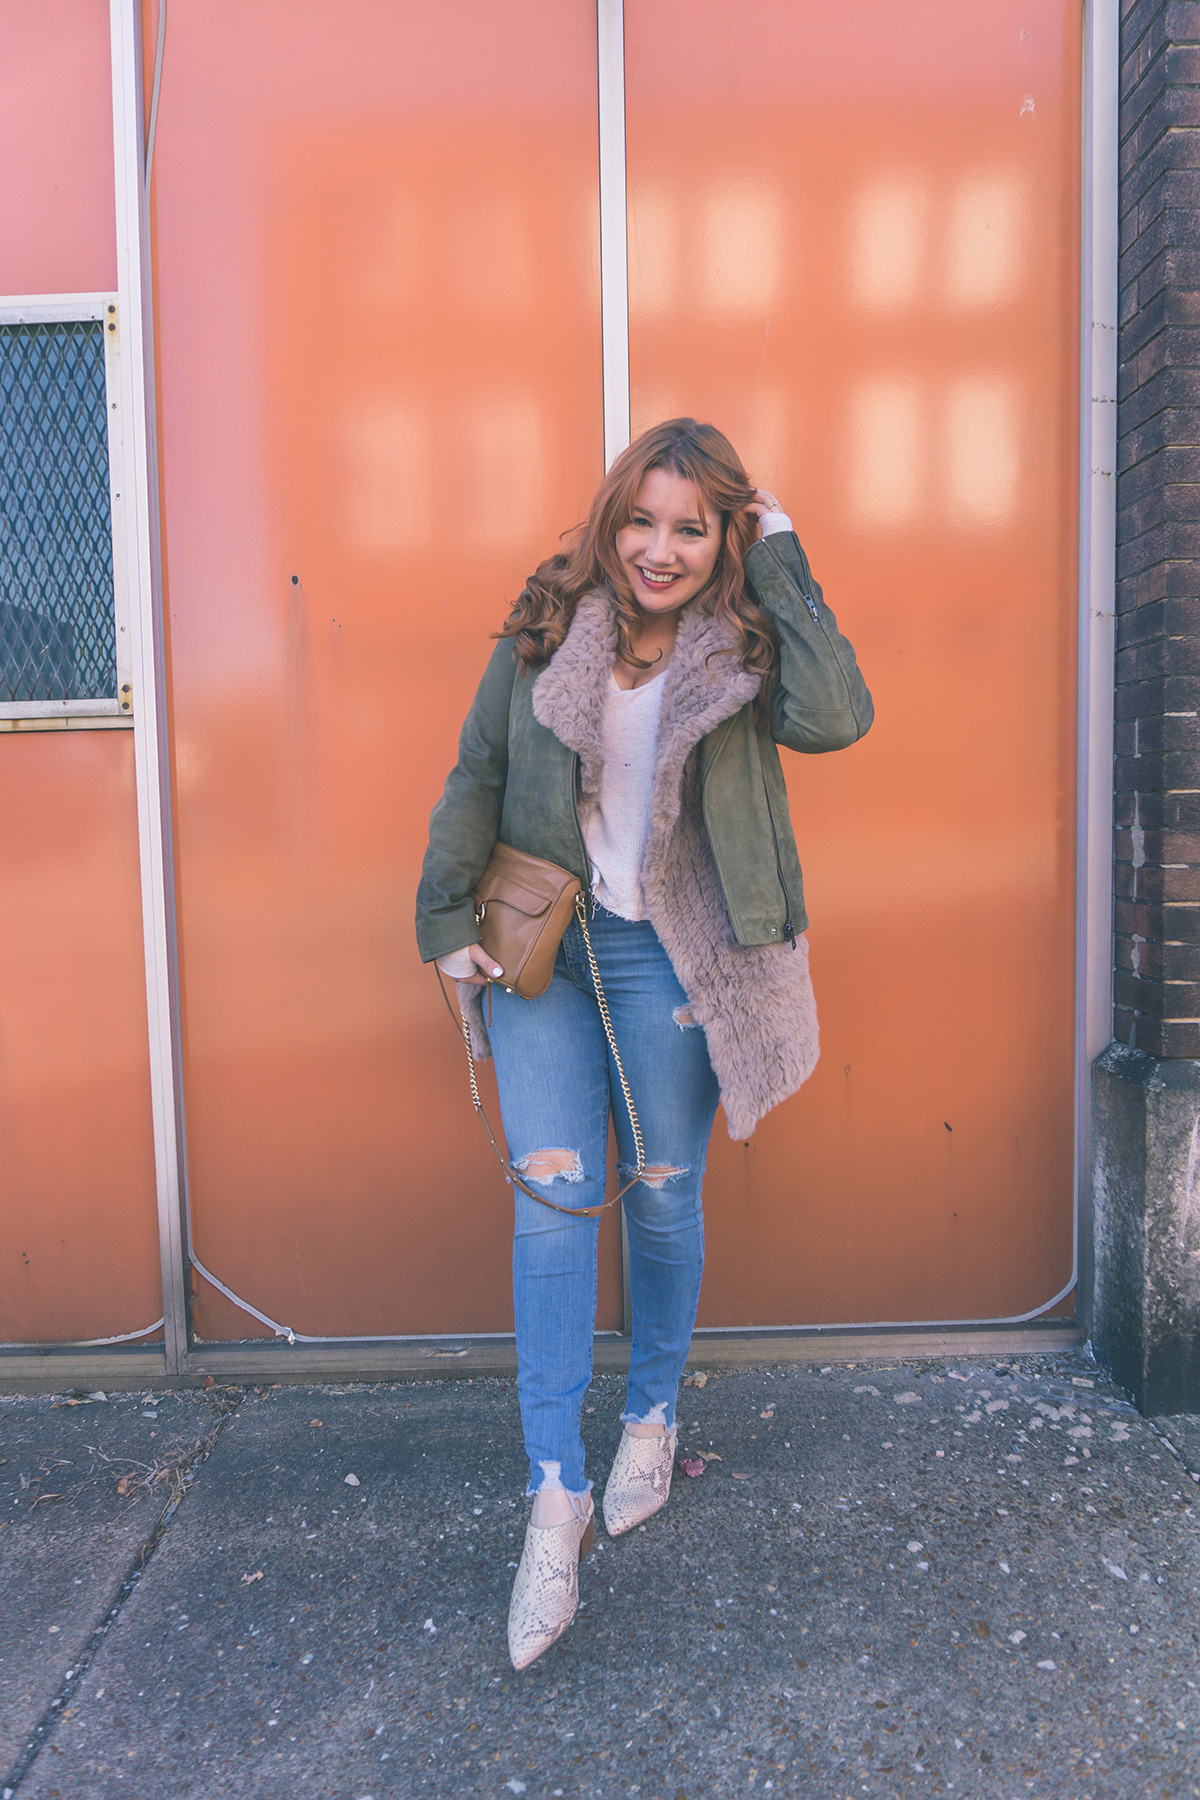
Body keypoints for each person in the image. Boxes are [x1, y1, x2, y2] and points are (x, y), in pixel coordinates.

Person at [416, 418, 873, 1670]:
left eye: (692, 527)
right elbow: (476, 768)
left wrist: (784, 557)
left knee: (664, 1193)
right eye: (641, 520)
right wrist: (443, 920)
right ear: (611, 517)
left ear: (727, 537)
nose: (659, 550)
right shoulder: (545, 620)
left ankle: (655, 1414)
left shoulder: (750, 644)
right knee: (556, 1200)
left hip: (676, 952)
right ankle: (552, 1499)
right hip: (550, 953)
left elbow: (840, 717)